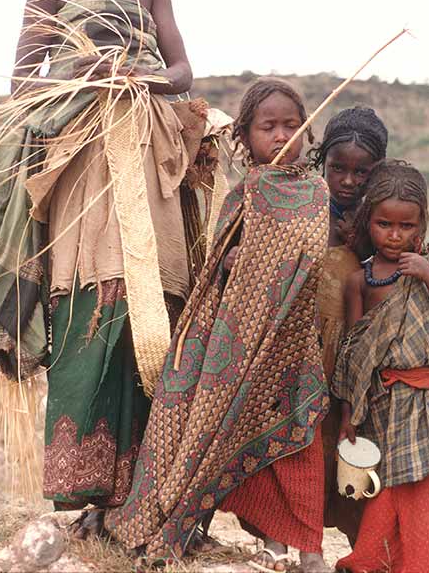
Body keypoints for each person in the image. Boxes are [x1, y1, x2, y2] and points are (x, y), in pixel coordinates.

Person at [0, 0, 222, 530]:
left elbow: (182, 68)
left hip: (151, 142)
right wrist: (88, 79)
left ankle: (149, 487)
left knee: (157, 297)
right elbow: (24, 82)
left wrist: (138, 81)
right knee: (92, 298)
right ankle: (89, 494)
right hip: (82, 153)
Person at [105, 78, 332, 573]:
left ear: (308, 133)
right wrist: (233, 261)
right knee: (231, 440)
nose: (281, 136)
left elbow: (311, 257)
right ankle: (271, 543)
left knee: (301, 442)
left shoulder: (317, 193)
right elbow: (216, 269)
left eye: (292, 126)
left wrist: (266, 261)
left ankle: (311, 549)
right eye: (267, 127)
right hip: (238, 345)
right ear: (245, 137)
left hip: (293, 346)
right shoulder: (247, 192)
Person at [332, 160, 429, 573]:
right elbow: (354, 357)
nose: (394, 235)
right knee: (390, 494)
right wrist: (348, 415)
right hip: (387, 408)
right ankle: (376, 563)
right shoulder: (361, 281)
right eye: (383, 224)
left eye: (406, 226)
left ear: (421, 225)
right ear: (367, 222)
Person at [311, 107, 388, 546]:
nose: (348, 181)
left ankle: (363, 541)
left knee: (355, 442)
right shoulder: (307, 208)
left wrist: (361, 242)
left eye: (362, 172)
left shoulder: (383, 219)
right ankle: (297, 536)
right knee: (311, 443)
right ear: (323, 161)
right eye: (338, 167)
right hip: (311, 350)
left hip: (360, 356)